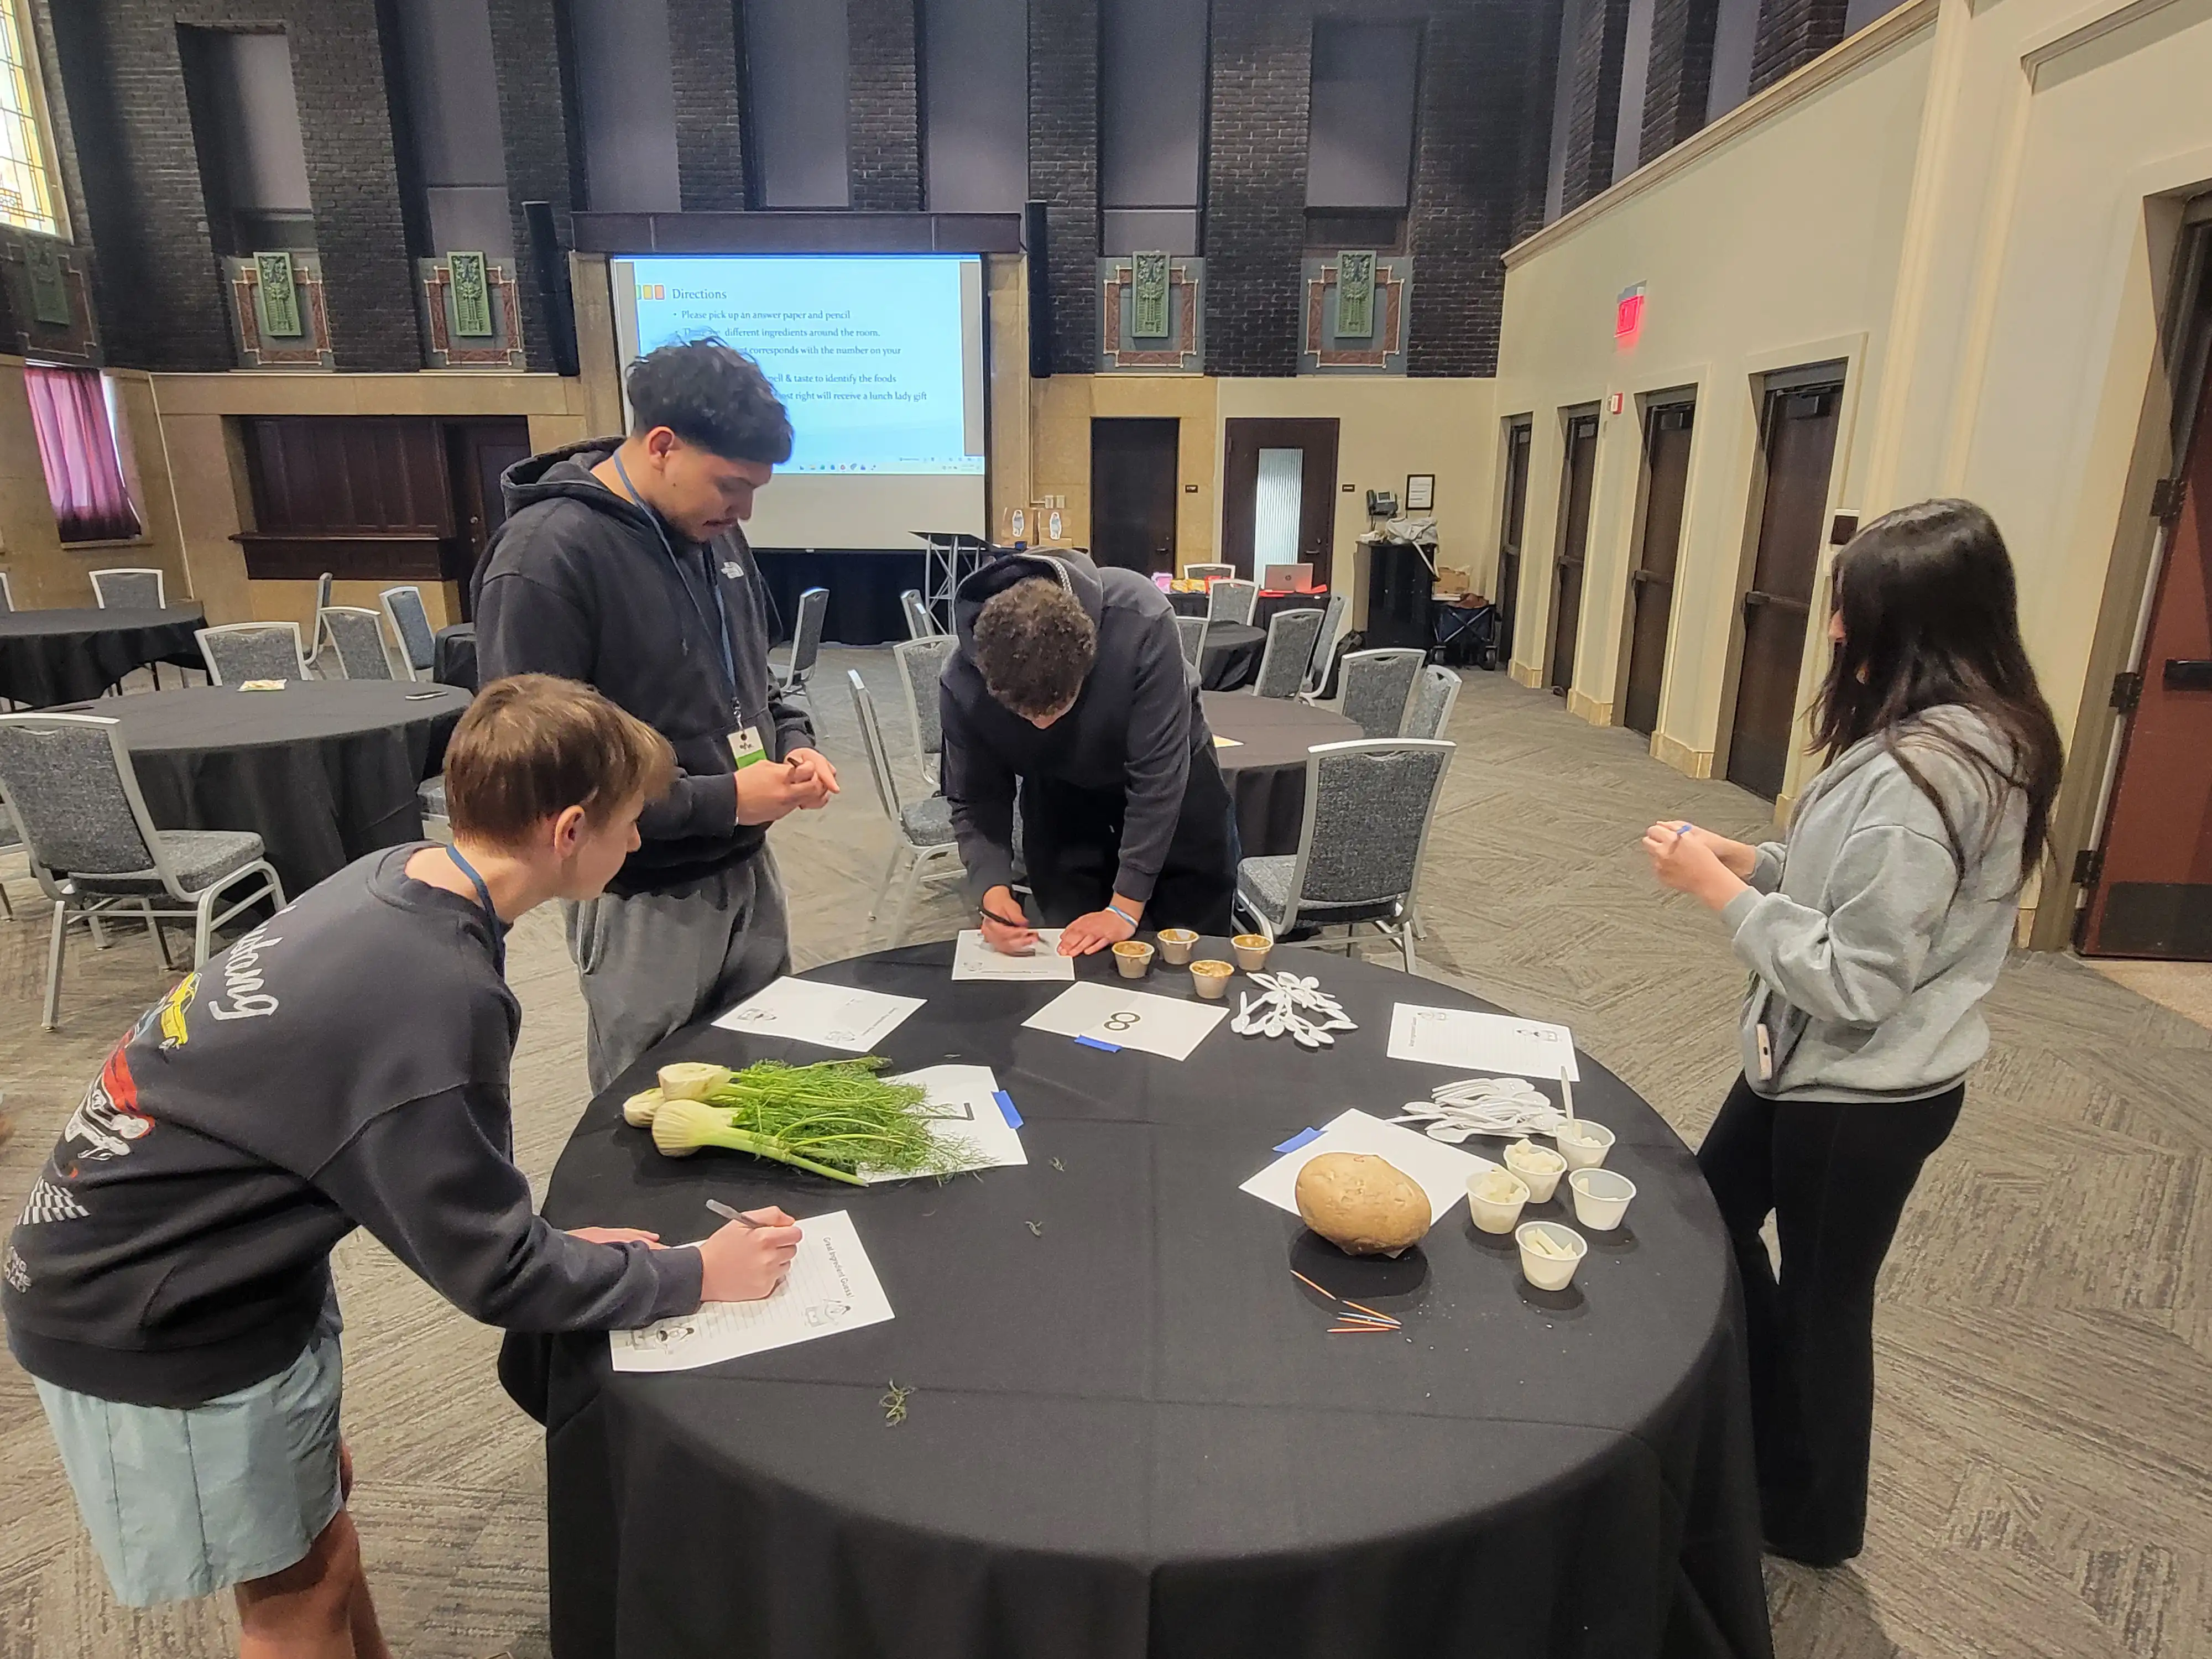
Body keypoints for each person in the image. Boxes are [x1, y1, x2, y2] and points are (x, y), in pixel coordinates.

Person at [3, 675, 804, 1656]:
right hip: (147, 1308)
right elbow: (491, 1273)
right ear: (568, 831)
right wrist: (694, 1273)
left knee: (319, 1553)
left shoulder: (406, 872)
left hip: (193, 1260)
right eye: (630, 823)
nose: (638, 842)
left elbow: (427, 1187)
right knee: (294, 1600)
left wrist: (533, 1240)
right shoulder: (440, 991)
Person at [1640, 499, 2063, 1568]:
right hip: (1815, 1070)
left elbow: (1861, 975)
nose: (1834, 629)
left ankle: (1815, 1516)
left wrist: (1718, 899)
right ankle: (1765, 1429)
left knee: (1830, 1306)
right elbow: (1864, 897)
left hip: (1863, 1092)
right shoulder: (1960, 735)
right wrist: (1758, 863)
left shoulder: (1928, 775)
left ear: (1915, 622)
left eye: (1852, 609)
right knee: (1713, 1215)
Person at [474, 337, 837, 1093]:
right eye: (731, 485)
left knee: (765, 1083)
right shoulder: (547, 555)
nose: (743, 510)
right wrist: (721, 798)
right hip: (640, 889)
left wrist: (794, 741)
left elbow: (754, 677)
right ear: (663, 446)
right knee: (652, 1103)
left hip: (745, 866)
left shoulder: (714, 533)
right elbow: (539, 770)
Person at [941, 550, 1239, 954]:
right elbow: (976, 797)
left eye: (1058, 709)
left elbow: (1158, 776)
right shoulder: (962, 681)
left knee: (1190, 952)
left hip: (1176, 795)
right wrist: (991, 891)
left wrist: (1125, 907)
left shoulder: (1140, 619)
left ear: (1088, 659)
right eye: (1023, 716)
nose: (1042, 727)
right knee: (1072, 950)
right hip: (1060, 796)